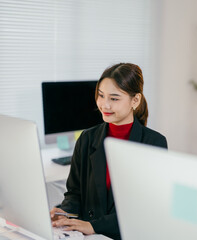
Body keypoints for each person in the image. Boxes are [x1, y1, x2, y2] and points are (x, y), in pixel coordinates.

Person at [50, 63, 167, 239]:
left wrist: (93, 226)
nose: (104, 105)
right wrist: (64, 213)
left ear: (135, 100)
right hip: (89, 236)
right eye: (101, 96)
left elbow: (145, 209)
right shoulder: (87, 139)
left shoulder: (154, 143)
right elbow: (74, 194)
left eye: (114, 98)